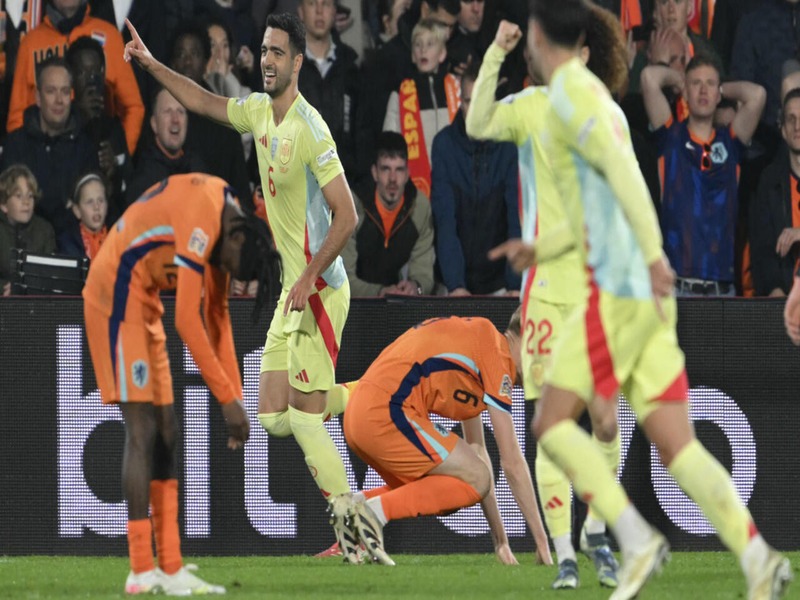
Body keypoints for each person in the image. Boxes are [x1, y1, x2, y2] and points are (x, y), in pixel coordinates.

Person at [486, 4, 791, 600]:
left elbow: (627, 180)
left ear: (550, 44)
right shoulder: (598, 105)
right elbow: (601, 207)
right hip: (647, 296)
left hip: (618, 290)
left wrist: (650, 253)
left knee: (549, 421)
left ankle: (632, 537)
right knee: (677, 445)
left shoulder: (572, 98)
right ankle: (758, 559)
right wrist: (545, 246)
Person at [123, 12, 360, 552]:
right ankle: (359, 397)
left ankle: (356, 532)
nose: (269, 60)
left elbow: (346, 216)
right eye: (265, 51)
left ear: (298, 63)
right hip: (293, 292)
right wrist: (150, 62)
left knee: (301, 420)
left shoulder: (310, 127)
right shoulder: (257, 112)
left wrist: (308, 278)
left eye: (279, 53)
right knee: (274, 417)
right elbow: (202, 100)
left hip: (319, 290)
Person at [468, 6, 626, 589]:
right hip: (543, 300)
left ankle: (595, 534)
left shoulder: (607, 117)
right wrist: (495, 52)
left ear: (587, 56)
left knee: (608, 422)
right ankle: (565, 550)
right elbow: (478, 122)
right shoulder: (532, 107)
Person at [83, 173, 277, 595]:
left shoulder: (229, 224)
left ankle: (169, 569)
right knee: (143, 430)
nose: (221, 271)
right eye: (225, 264)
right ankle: (139, 570)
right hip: (113, 292)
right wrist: (226, 400)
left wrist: (237, 398)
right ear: (236, 239)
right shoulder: (203, 218)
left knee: (168, 432)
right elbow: (188, 321)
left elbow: (218, 317)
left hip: (144, 299)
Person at [331, 312, 553, 567]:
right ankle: (374, 513)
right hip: (384, 411)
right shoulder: (497, 354)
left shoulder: (481, 347)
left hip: (362, 413)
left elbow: (478, 453)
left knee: (458, 484)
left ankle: (352, 506)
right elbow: (512, 462)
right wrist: (542, 543)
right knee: (473, 478)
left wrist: (500, 541)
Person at [641, 54, 765, 296]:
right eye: (696, 83)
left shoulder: (730, 142)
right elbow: (648, 78)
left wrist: (720, 88)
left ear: (718, 95)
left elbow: (757, 95)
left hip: (722, 287)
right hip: (676, 286)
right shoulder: (671, 137)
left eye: (710, 84)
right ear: (685, 93)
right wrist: (680, 79)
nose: (703, 90)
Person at [430, 61, 520, 297]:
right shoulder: (444, 145)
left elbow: (516, 218)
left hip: (500, 285)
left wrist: (514, 283)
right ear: (461, 103)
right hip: (453, 284)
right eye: (470, 101)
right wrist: (455, 285)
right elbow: (445, 220)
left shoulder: (510, 146)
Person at [7, 0, 144, 155]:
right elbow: (16, 118)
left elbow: (133, 107)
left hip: (97, 158)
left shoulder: (110, 36)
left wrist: (119, 155)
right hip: (43, 158)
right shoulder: (30, 43)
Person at [1, 56, 99, 236]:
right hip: (23, 244)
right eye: (51, 91)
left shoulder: (86, 147)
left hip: (73, 245)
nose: (59, 100)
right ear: (38, 97)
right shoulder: (15, 144)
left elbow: (90, 207)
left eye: (64, 91)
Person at [342, 130, 434, 297]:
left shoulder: (420, 207)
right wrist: (379, 293)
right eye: (385, 169)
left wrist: (416, 287)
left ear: (407, 174)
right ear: (375, 173)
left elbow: (424, 273)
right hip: (353, 304)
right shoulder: (352, 206)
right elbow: (340, 280)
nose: (392, 179)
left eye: (399, 170)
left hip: (396, 301)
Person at [383, 18, 460, 197]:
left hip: (454, 185)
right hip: (416, 187)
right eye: (418, 45)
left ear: (442, 53)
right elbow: (390, 141)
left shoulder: (456, 88)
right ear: (412, 55)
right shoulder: (401, 93)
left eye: (430, 44)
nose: (423, 50)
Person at [66, 35, 133, 223]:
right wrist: (81, 118)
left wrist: (114, 172)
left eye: (95, 71)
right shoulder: (63, 123)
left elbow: (129, 188)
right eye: (82, 72)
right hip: (69, 226)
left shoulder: (113, 128)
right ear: (70, 77)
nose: (90, 79)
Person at [297, 0, 360, 180]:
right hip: (298, 184)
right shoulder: (287, 66)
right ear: (301, 12)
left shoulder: (351, 67)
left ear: (334, 12)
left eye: (325, 4)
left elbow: (362, 131)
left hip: (347, 182)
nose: (319, 11)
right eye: (311, 4)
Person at [750, 87, 800, 297]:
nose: (798, 126)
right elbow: (763, 249)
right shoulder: (769, 181)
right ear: (783, 130)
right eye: (791, 119)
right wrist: (776, 294)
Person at [126, 87, 207, 204]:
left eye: (180, 111)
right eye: (168, 112)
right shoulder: (143, 181)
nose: (175, 119)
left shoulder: (199, 169)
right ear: (154, 124)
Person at [0, 164, 56, 295]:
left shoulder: (45, 230)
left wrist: (29, 285)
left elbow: (51, 274)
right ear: (3, 204)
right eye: (19, 196)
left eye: (30, 196)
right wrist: (4, 287)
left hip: (35, 304)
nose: (26, 202)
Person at [56, 171, 109, 260]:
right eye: (90, 202)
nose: (96, 207)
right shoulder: (68, 244)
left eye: (100, 200)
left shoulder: (118, 239)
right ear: (77, 211)